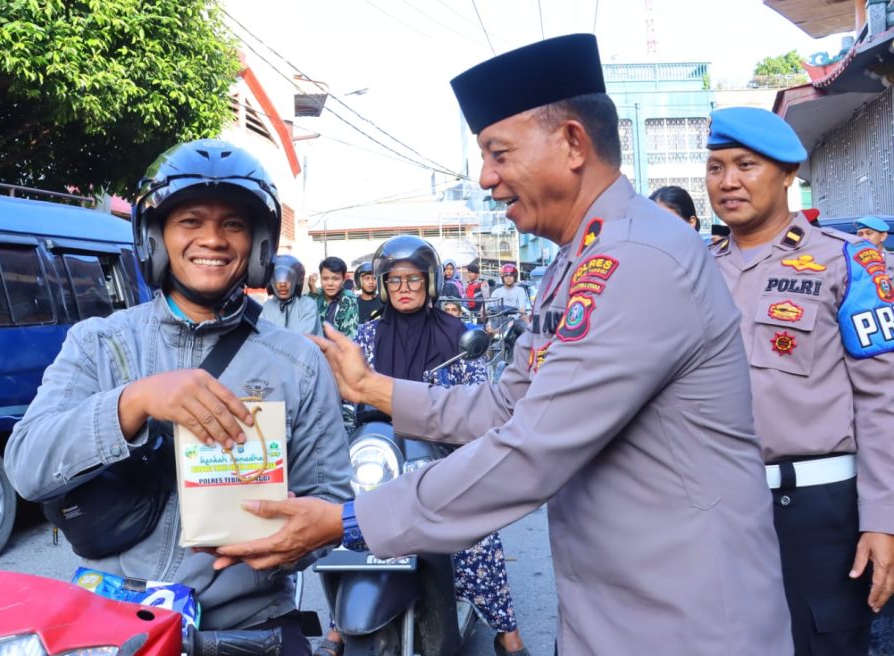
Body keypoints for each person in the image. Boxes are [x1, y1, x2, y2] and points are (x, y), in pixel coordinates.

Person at [211, 34, 792, 655]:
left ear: (572, 143)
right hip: (615, 612)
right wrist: (371, 387)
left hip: (691, 622)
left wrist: (349, 520)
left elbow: (532, 446)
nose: (487, 178)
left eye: (498, 152)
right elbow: (506, 404)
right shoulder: (581, 260)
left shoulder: (638, 259)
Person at [3, 139, 352, 656]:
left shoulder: (299, 363)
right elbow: (27, 467)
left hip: (247, 631)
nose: (212, 239)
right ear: (156, 236)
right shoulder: (100, 342)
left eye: (232, 224)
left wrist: (290, 542)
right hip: (111, 626)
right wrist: (132, 404)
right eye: (190, 221)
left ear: (257, 245)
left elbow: (332, 504)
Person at [705, 107, 894, 656]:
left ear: (789, 172)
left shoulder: (849, 262)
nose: (729, 181)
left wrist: (883, 520)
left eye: (746, 165)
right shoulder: (693, 271)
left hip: (819, 514)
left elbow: (882, 402)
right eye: (716, 167)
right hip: (715, 509)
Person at [350, 234, 527, 655]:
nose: (404, 288)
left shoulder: (458, 336)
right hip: (383, 457)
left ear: (429, 283)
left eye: (413, 279)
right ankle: (343, 625)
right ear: (382, 284)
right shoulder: (367, 336)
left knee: (477, 536)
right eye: (394, 281)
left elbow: (482, 402)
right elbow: (347, 393)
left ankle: (508, 632)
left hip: (446, 457)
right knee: (348, 528)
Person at [260, 253, 322, 336]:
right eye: (278, 280)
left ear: (296, 281)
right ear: (272, 282)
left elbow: (302, 339)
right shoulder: (266, 307)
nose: (282, 285)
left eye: (288, 280)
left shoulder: (307, 305)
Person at [308, 256, 359, 338]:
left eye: (335, 279)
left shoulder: (348, 299)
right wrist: (312, 295)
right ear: (320, 277)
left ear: (344, 279)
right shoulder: (315, 294)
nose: (330, 283)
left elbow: (349, 338)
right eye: (325, 279)